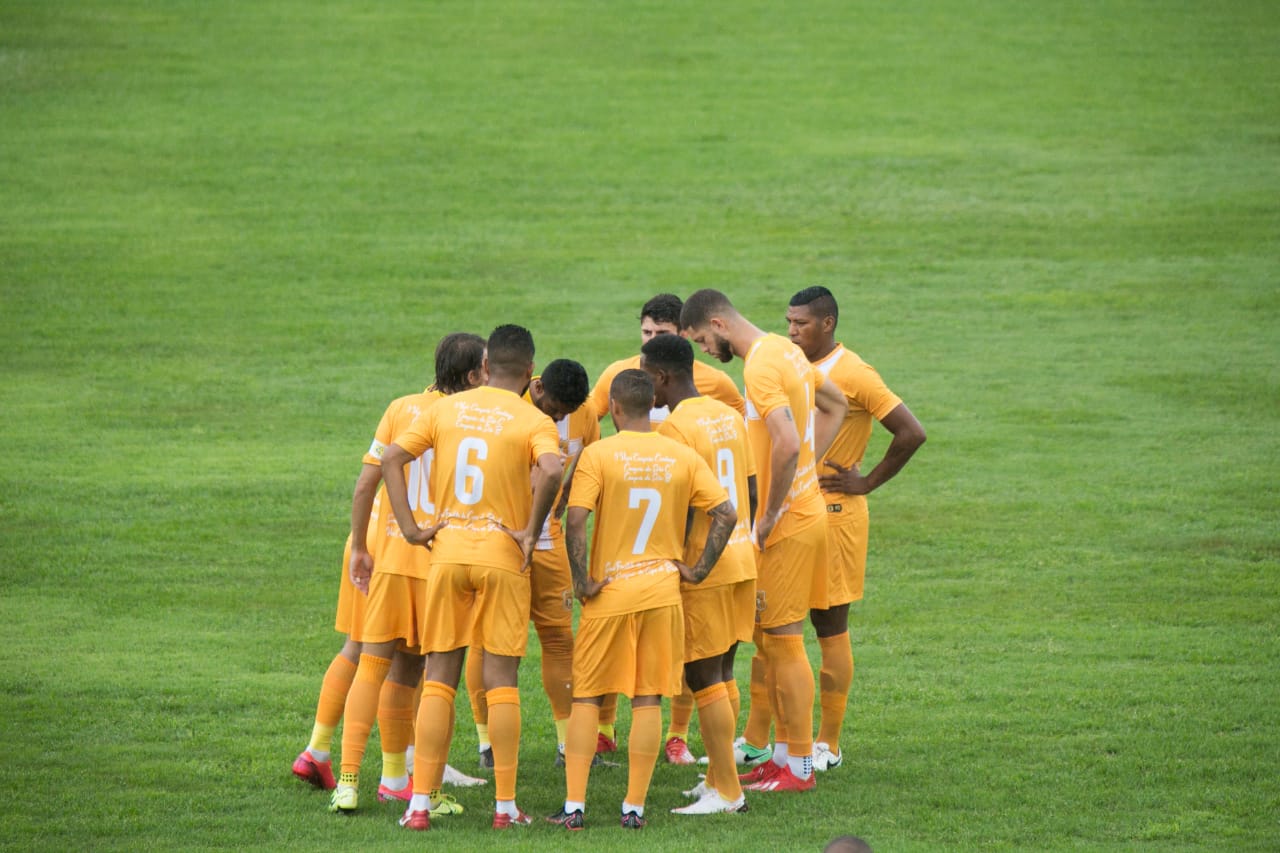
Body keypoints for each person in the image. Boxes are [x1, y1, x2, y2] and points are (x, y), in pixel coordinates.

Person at [380, 324, 564, 832]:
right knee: (501, 681)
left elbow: (392, 458)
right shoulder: (532, 418)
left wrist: (413, 528)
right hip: (503, 555)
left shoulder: (443, 409)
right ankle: (505, 808)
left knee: (440, 677)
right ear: (530, 372)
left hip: (447, 553)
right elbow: (551, 470)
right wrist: (530, 531)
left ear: (485, 369)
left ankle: (419, 804)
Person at [547, 369, 737, 830]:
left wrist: (581, 580)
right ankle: (634, 808)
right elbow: (726, 513)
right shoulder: (681, 456)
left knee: (589, 697)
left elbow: (574, 521)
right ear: (652, 405)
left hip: (610, 591)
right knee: (648, 699)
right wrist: (697, 570)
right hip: (662, 593)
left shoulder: (598, 454)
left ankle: (575, 808)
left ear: (613, 408)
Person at [680, 289, 847, 794]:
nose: (705, 350)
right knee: (773, 643)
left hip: (789, 523)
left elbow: (788, 441)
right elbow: (835, 403)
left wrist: (770, 514)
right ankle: (781, 756)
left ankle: (798, 766)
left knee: (784, 639)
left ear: (717, 323)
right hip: (805, 510)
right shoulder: (785, 350)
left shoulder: (759, 368)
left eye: (701, 339)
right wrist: (807, 474)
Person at [326, 332, 489, 816]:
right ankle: (425, 791)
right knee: (428, 675)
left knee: (374, 665)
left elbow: (365, 485)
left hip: (392, 557)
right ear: (471, 376)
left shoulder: (401, 408)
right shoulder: (471, 420)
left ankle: (355, 781)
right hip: (440, 563)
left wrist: (361, 546)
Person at [586, 293, 744, 761]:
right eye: (645, 333)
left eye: (660, 335)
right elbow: (586, 419)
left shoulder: (705, 393)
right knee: (700, 659)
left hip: (679, 537)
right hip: (701, 539)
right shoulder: (622, 374)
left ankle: (686, 743)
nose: (648, 343)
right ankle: (608, 728)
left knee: (689, 659)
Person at [787, 286, 925, 771]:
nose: (791, 331)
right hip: (795, 512)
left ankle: (828, 742)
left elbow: (911, 432)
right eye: (788, 322)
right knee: (778, 627)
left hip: (837, 515)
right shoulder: (791, 362)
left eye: (800, 323)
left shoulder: (854, 373)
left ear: (827, 324)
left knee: (829, 626)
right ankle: (778, 740)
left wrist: (865, 482)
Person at [641, 334, 758, 815]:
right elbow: (748, 485)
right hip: (742, 555)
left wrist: (676, 561)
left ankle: (729, 794)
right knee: (724, 668)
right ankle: (716, 776)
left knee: (701, 673)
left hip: (704, 564)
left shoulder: (674, 430)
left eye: (649, 377)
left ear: (663, 377)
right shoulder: (728, 415)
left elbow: (682, 508)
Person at [464, 358, 597, 767]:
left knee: (559, 637)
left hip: (548, 542)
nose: (559, 419)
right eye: (555, 409)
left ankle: (566, 743)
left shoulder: (586, 413)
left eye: (566, 415)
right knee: (489, 642)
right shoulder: (507, 407)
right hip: (503, 543)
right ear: (537, 389)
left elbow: (587, 462)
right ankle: (488, 743)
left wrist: (568, 495)